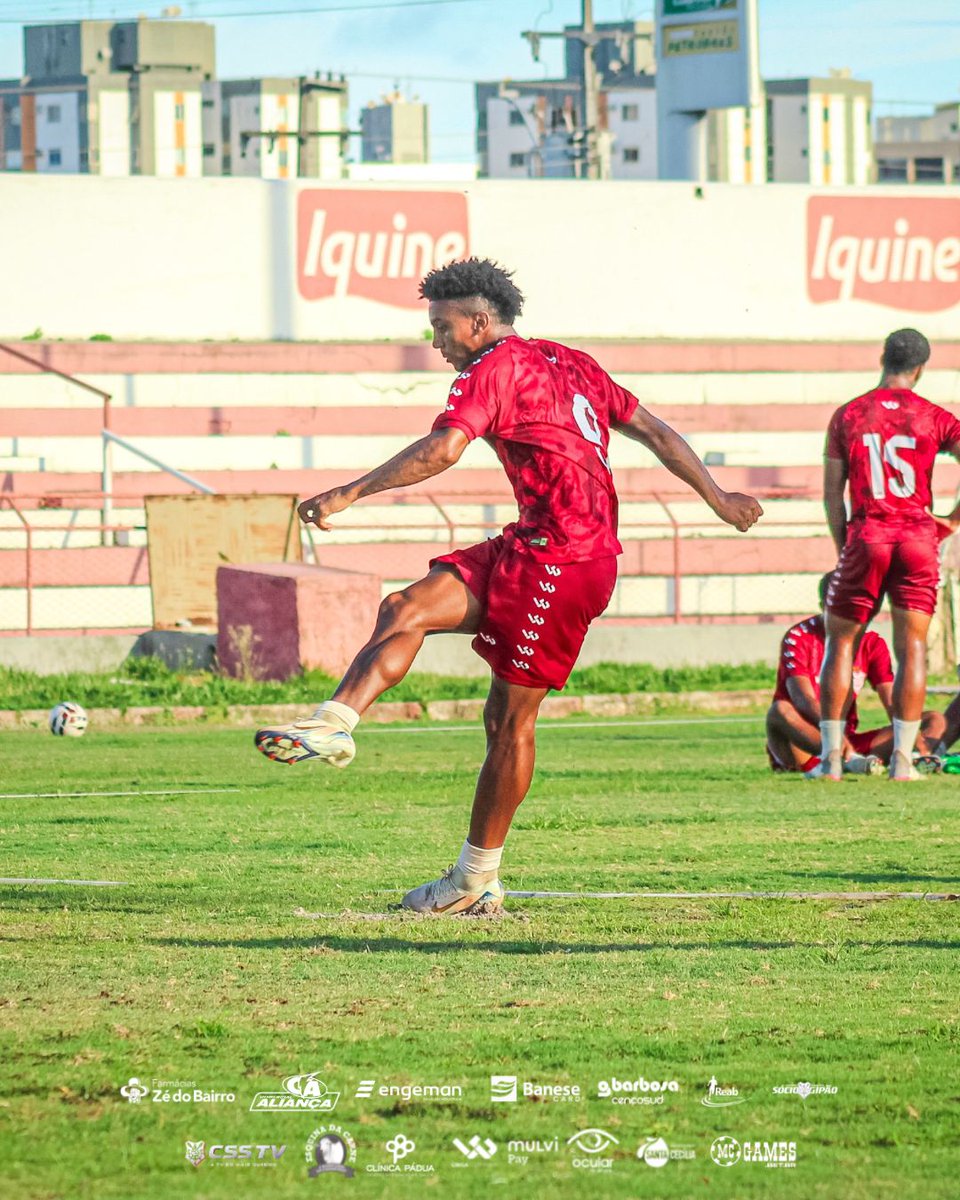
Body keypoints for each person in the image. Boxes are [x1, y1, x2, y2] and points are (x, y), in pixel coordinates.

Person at [254, 258, 763, 913]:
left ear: (476, 321)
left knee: (508, 723)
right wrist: (718, 498)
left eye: (441, 327)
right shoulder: (569, 361)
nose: (435, 341)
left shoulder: (489, 370)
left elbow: (443, 449)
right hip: (533, 542)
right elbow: (656, 431)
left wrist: (352, 491)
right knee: (405, 606)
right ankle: (334, 724)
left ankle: (473, 882)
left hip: (568, 558)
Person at [813, 328, 960, 782]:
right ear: (921, 368)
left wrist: (844, 551)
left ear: (883, 358)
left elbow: (832, 497)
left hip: (868, 531)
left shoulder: (848, 415)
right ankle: (901, 760)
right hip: (916, 536)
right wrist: (951, 520)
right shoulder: (934, 415)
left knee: (841, 641)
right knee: (911, 645)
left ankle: (832, 760)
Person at [767, 573, 946, 774]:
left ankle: (915, 758)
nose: (848, 612)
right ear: (823, 605)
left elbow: (890, 700)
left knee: (934, 719)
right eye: (839, 605)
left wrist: (911, 740)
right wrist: (831, 734)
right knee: (779, 711)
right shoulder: (799, 636)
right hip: (806, 744)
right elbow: (802, 698)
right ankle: (843, 759)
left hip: (849, 741)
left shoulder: (872, 643)